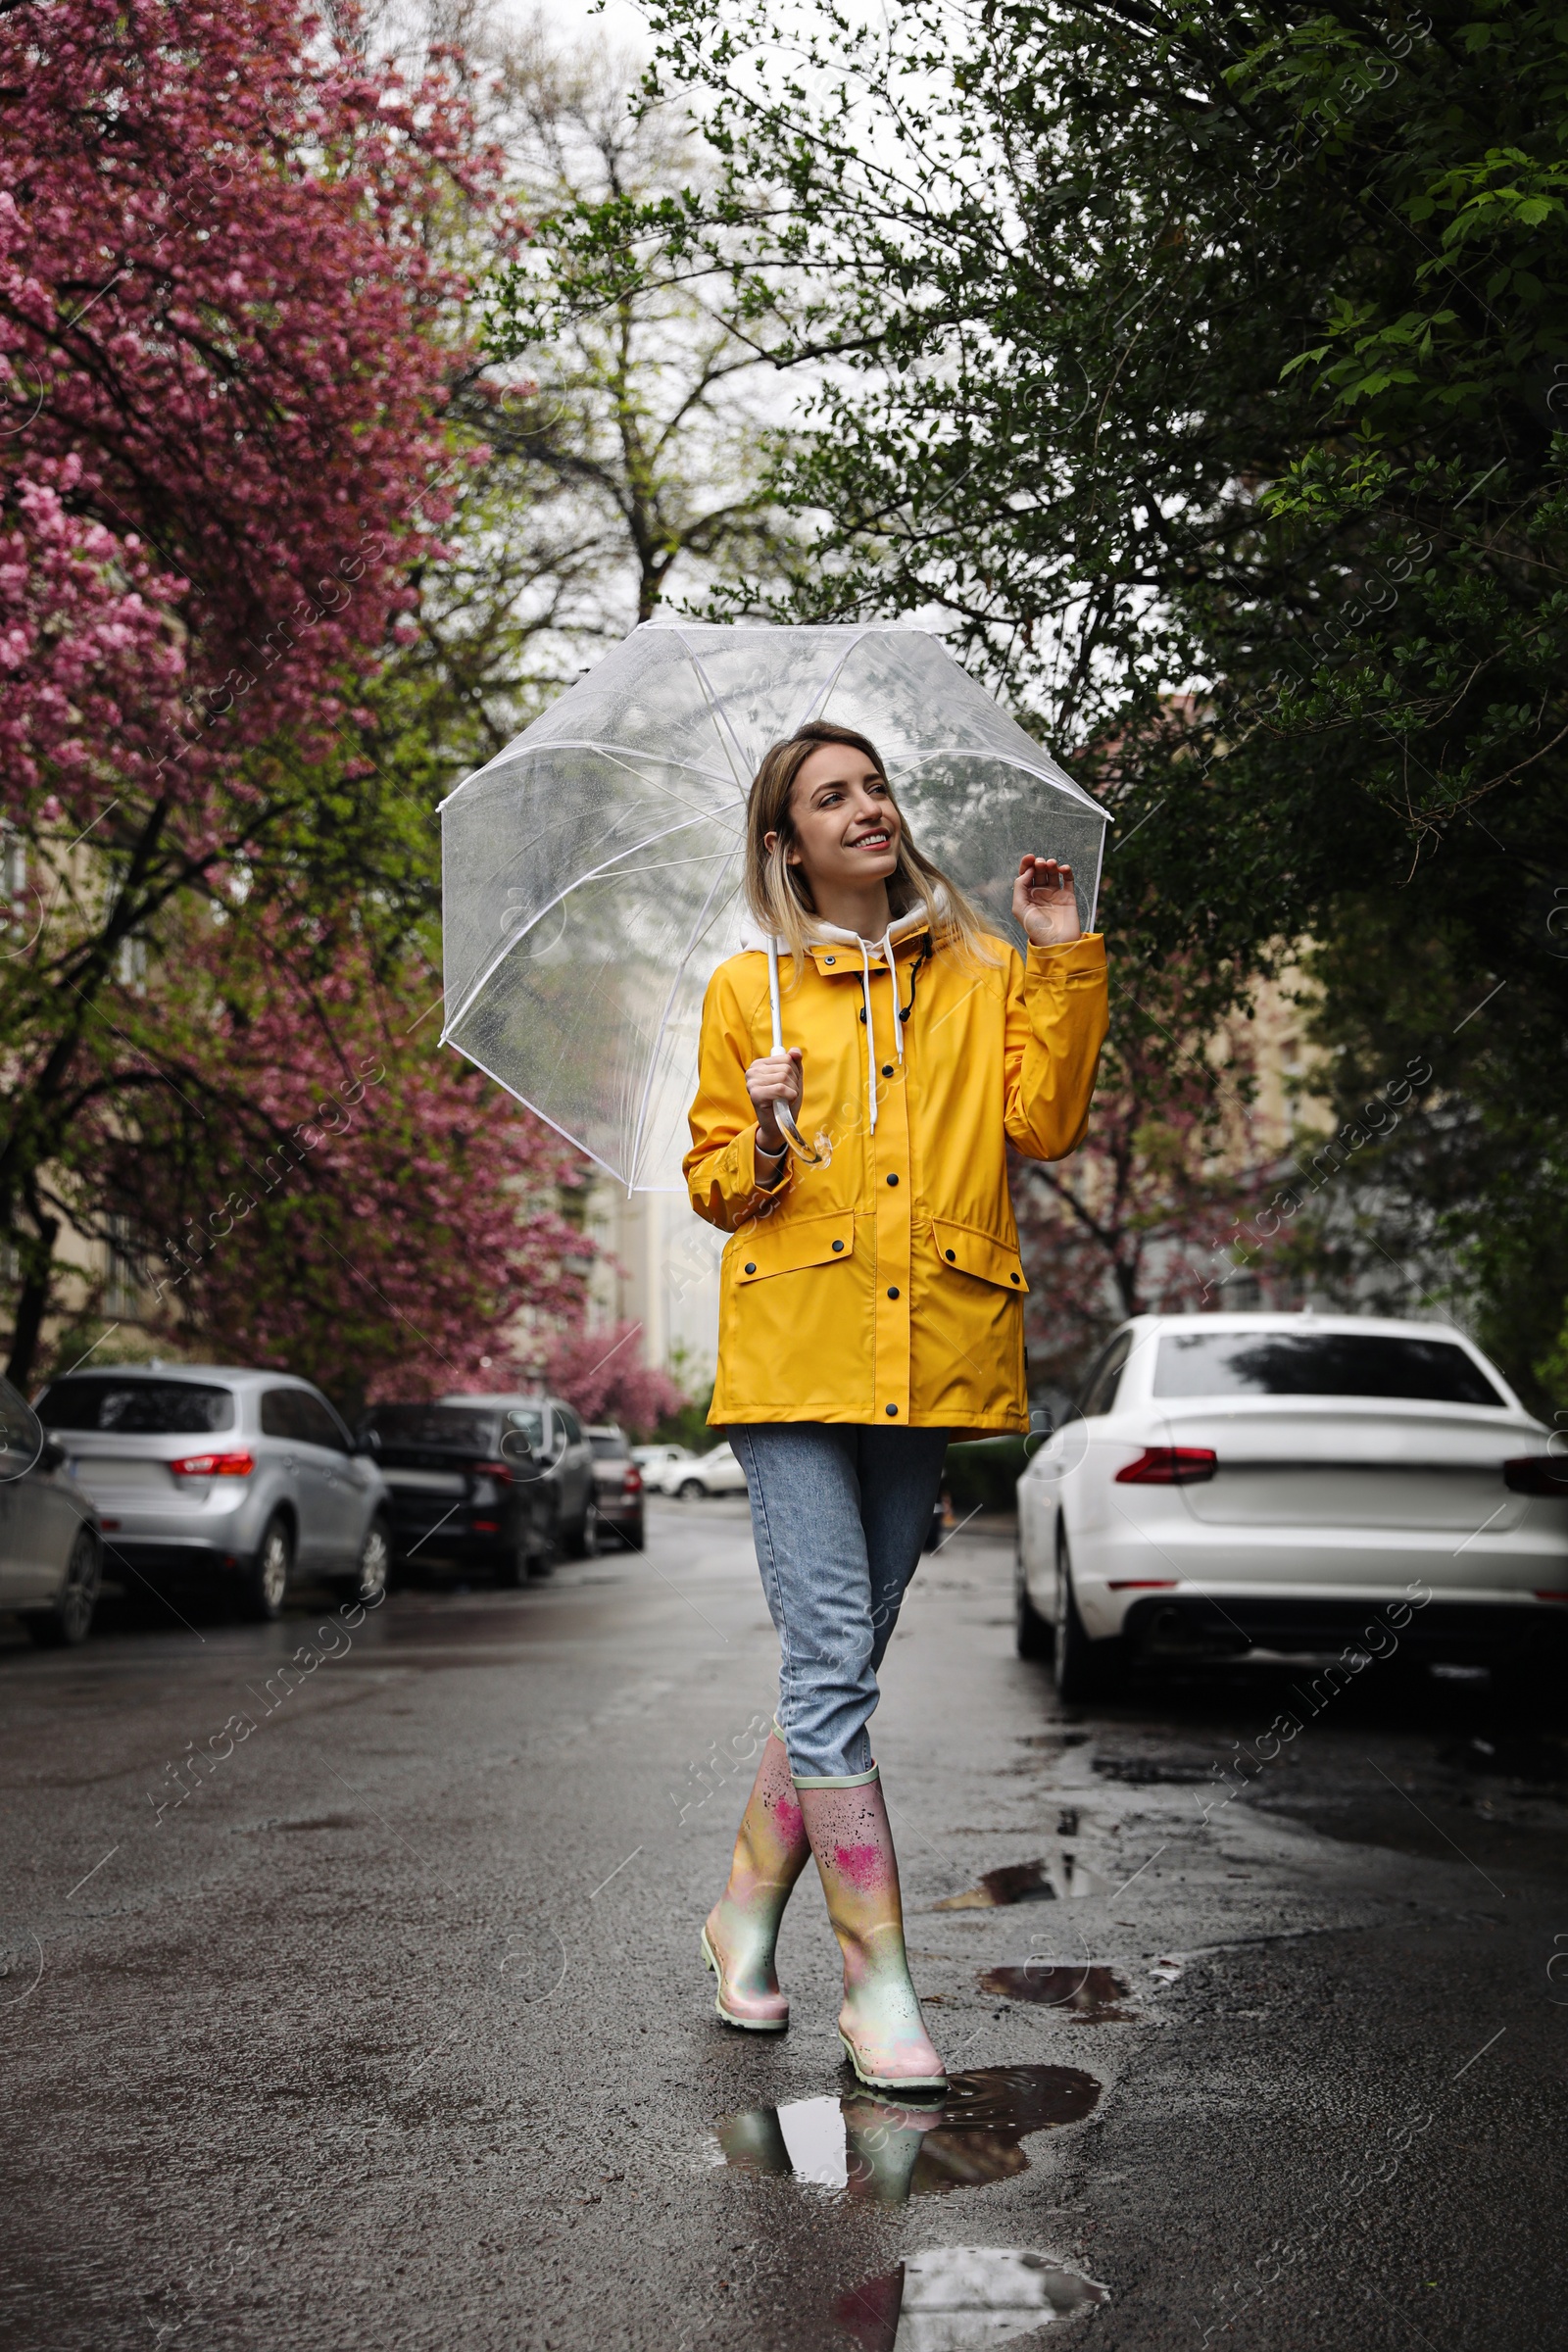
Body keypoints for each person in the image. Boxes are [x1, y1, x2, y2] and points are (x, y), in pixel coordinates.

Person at [683, 719, 1107, 2091]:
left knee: (835, 1675)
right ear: (785, 841)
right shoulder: (749, 989)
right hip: (797, 1352)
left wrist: (1060, 953)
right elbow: (715, 1186)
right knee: (829, 1677)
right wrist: (757, 1129)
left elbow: (1041, 1121)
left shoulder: (981, 967)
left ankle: (743, 1916)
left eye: (874, 787)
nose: (866, 808)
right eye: (830, 796)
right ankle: (879, 1991)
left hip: (926, 1349)